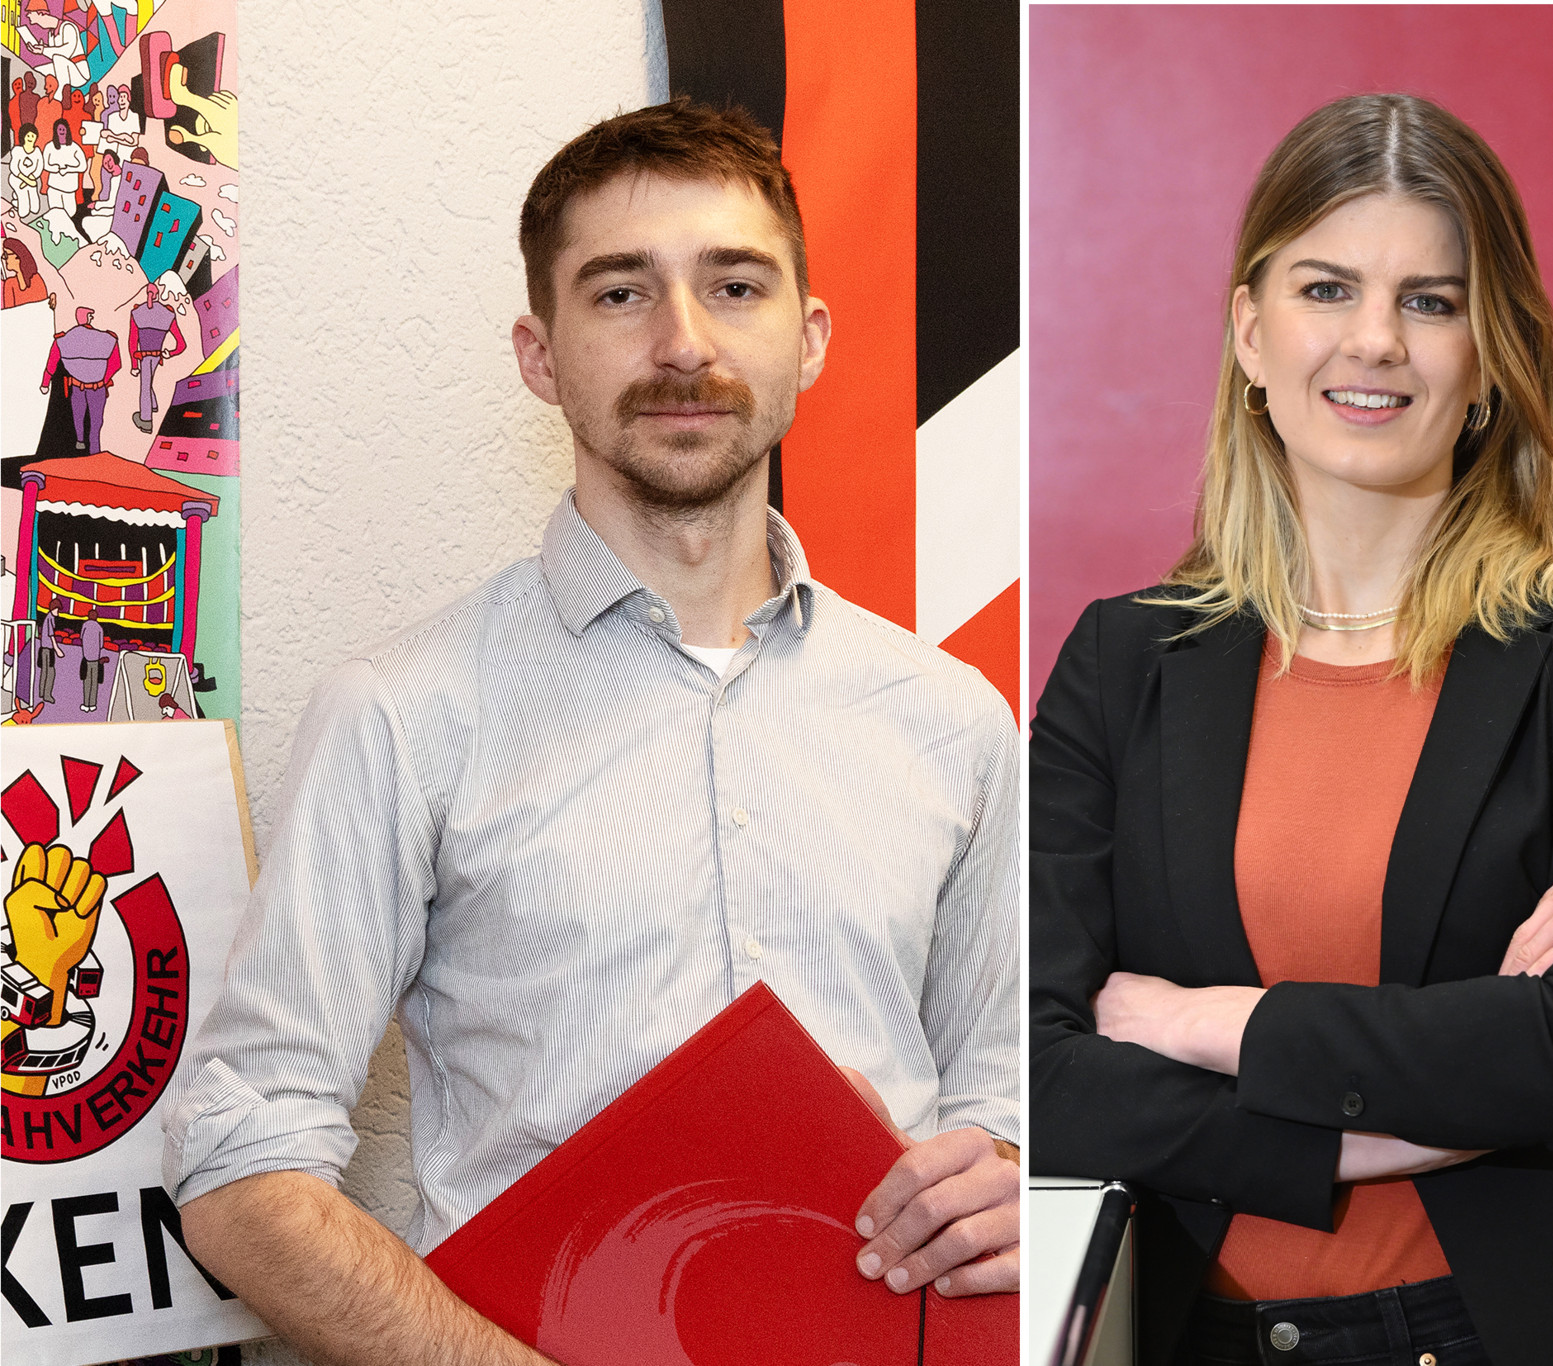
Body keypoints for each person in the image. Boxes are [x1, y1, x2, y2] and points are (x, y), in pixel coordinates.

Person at [164, 98, 1020, 1365]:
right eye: (621, 294)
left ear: (809, 339)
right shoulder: (404, 710)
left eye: (735, 286)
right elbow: (241, 1165)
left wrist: (1001, 1174)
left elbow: (1002, 1103)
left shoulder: (950, 717)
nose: (683, 343)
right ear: (539, 354)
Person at [1031, 94, 1553, 1366]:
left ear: (1489, 355)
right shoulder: (1121, 660)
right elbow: (1042, 1078)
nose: (1373, 340)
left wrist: (1207, 1021)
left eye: (1430, 301)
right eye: (1325, 289)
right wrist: (1412, 1114)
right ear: (1249, 332)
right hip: (1198, 1339)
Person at [42, 305, 123, 452]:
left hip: (77, 387)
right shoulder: (107, 338)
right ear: (89, 318)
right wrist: (104, 380)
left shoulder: (63, 340)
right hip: (97, 387)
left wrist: (45, 383)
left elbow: (51, 364)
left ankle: (80, 441)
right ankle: (94, 450)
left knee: (78, 416)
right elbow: (116, 363)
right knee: (96, 422)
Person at [129, 280, 186, 428]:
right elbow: (181, 344)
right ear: (158, 295)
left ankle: (145, 420)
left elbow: (132, 341)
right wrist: (170, 353)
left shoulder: (137, 312)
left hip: (143, 357)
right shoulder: (168, 313)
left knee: (145, 385)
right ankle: (153, 405)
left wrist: (134, 365)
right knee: (147, 381)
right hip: (157, 356)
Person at [2, 236, 51, 309]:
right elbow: (9, 312)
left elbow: (42, 306)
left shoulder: (36, 280)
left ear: (17, 256)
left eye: (6, 254)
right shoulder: (9, 284)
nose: (3, 258)